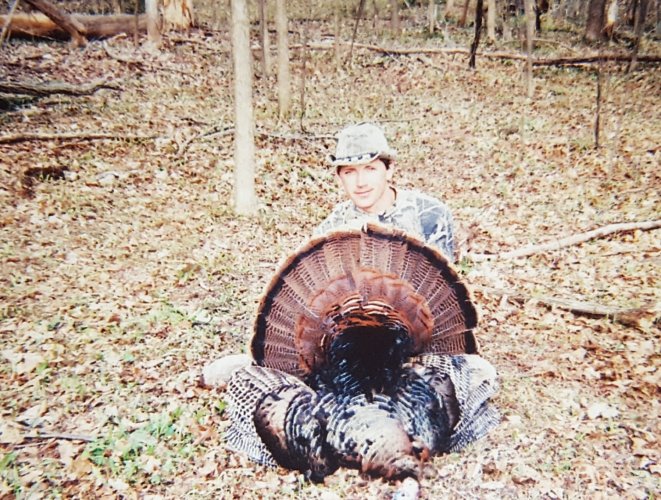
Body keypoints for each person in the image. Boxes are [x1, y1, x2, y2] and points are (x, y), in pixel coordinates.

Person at [314, 122, 456, 261]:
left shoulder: (430, 216)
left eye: (370, 169)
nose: (360, 182)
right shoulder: (329, 232)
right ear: (339, 178)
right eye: (349, 172)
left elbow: (440, 276)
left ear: (389, 170)